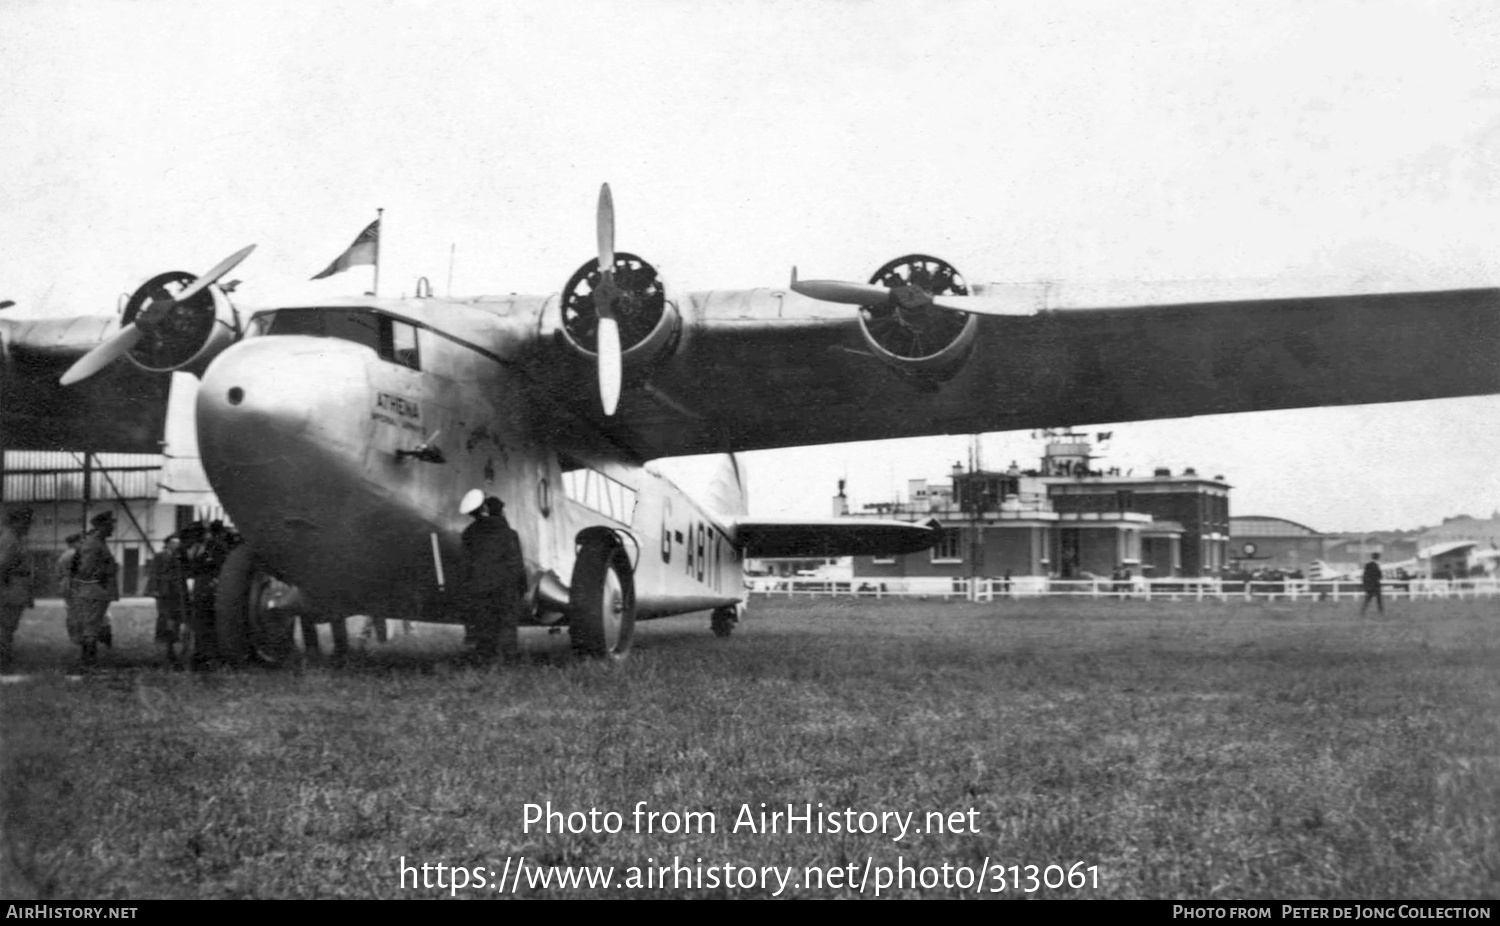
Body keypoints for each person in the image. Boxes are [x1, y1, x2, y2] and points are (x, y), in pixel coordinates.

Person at [459, 490, 526, 664]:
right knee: (506, 624)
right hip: (506, 587)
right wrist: (521, 587)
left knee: (484, 624)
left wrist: (467, 587)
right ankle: (507, 658)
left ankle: (485, 658)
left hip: (479, 587)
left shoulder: (468, 534)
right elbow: (516, 563)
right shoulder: (509, 533)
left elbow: (465, 564)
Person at [71, 511, 120, 668]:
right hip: (94, 589)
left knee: (93, 626)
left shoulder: (99, 542)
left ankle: (89, 662)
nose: (113, 528)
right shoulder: (93, 543)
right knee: (91, 627)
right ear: (101, 526)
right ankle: (88, 663)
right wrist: (106, 572)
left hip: (97, 589)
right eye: (110, 525)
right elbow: (86, 569)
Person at [0, 507, 36, 673]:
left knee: (8, 626)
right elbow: (2, 565)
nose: (28, 525)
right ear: (15, 521)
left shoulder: (13, 538)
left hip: (14, 587)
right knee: (6, 626)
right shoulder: (10, 539)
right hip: (10, 588)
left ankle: (5, 658)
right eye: (25, 521)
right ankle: (3, 662)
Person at [147, 534, 189, 667]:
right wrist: (154, 589)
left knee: (176, 616)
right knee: (164, 615)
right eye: (174, 543)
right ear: (168, 544)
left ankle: (173, 637)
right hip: (164, 590)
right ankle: (163, 638)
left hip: (177, 591)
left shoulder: (180, 557)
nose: (177, 545)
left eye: (178, 543)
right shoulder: (159, 556)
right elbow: (154, 573)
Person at [1360, 552, 1384, 617]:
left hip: (1370, 586)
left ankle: (1362, 611)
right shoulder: (1377, 565)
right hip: (1375, 585)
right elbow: (1380, 575)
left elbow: (1364, 576)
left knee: (1367, 600)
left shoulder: (1368, 565)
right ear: (1378, 557)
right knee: (1379, 600)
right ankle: (1381, 612)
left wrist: (1366, 585)